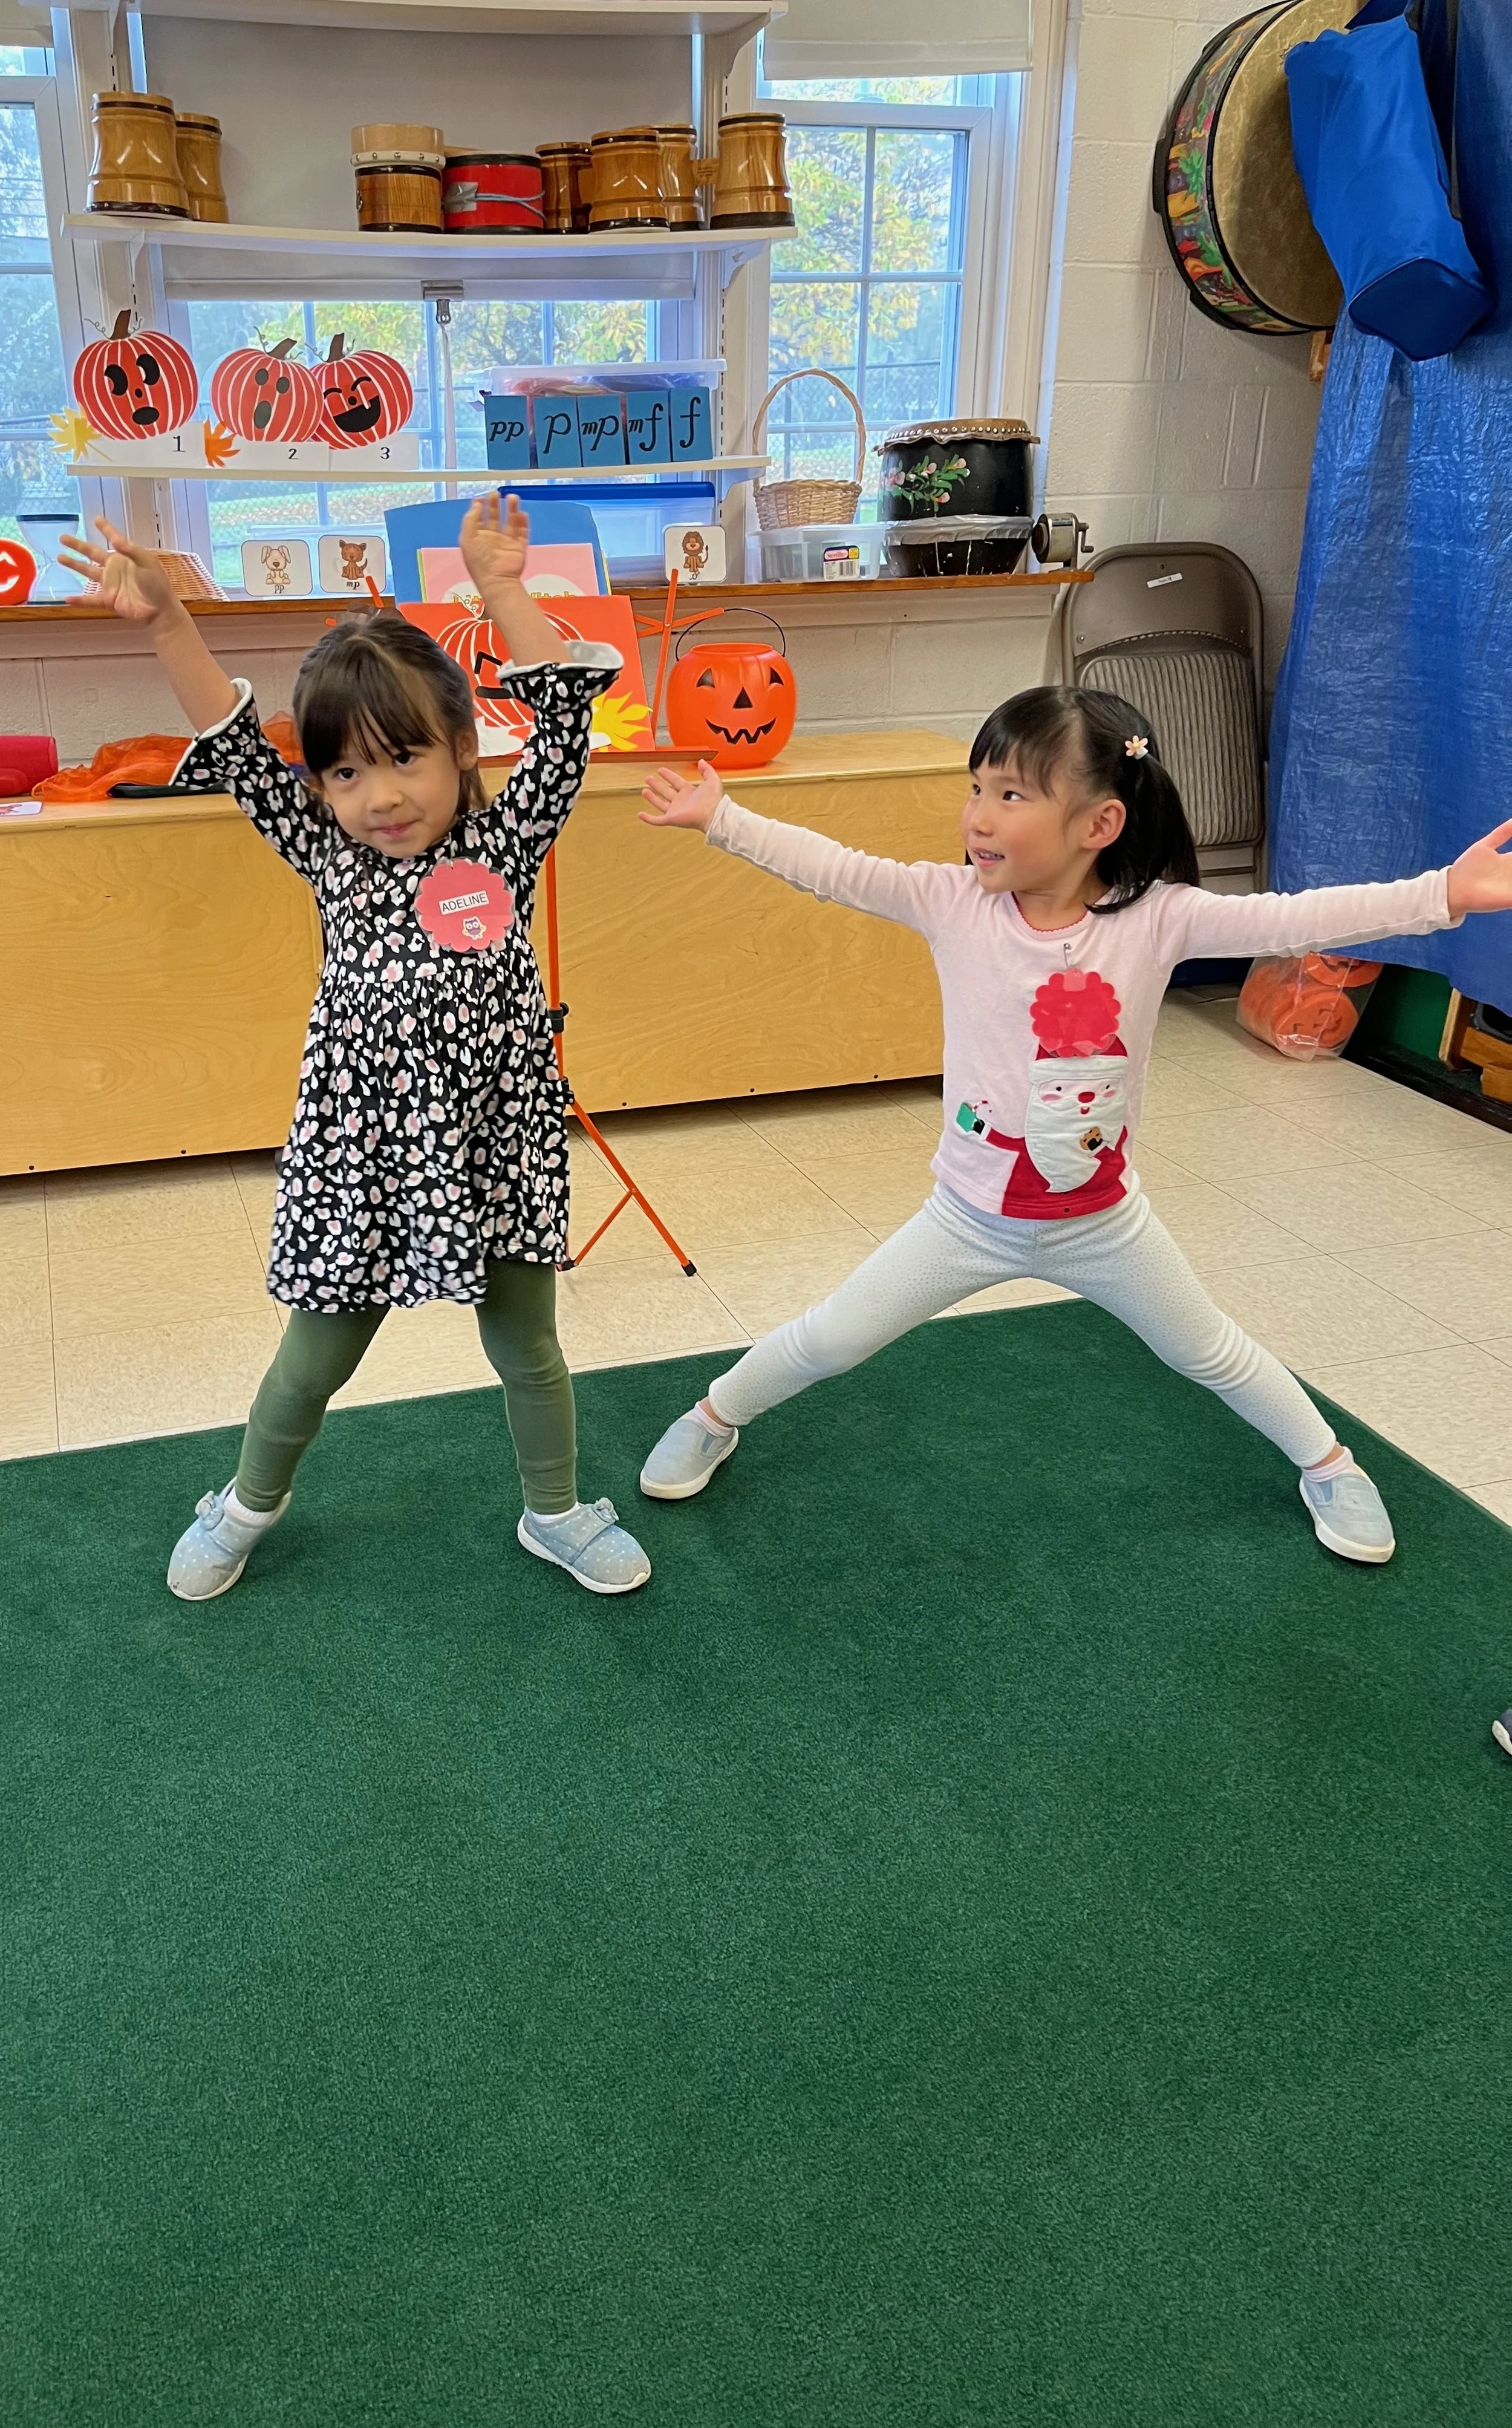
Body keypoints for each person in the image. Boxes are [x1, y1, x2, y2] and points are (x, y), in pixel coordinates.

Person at [634, 686, 1512, 1564]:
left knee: (1211, 1349)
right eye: (977, 787)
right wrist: (724, 818)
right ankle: (714, 1416)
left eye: (1012, 795)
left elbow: (1299, 916)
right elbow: (833, 867)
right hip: (969, 1217)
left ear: (1099, 823)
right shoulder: (951, 902)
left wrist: (1446, 892)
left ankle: (1330, 1464)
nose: (979, 816)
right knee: (830, 1335)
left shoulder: (1160, 918)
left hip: (1104, 1223)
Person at [62, 498, 651, 1601]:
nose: (377, 796)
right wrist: (165, 625)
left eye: (406, 760)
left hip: (498, 1145)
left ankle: (557, 1510)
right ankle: (242, 1506)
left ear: (465, 748)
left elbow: (568, 723)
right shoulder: (329, 854)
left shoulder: (503, 841)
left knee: (530, 1346)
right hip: (359, 1161)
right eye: (344, 773)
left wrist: (504, 591)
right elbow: (236, 751)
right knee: (314, 1360)